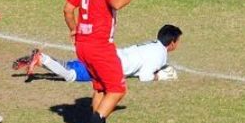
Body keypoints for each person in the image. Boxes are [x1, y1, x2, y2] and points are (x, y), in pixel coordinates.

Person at [14, 24, 182, 83]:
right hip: (109, 66)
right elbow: (145, 77)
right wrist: (160, 76)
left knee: (74, 66)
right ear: (172, 42)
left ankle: (43, 59)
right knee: (71, 75)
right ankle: (42, 58)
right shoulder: (160, 55)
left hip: (111, 54)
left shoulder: (152, 44)